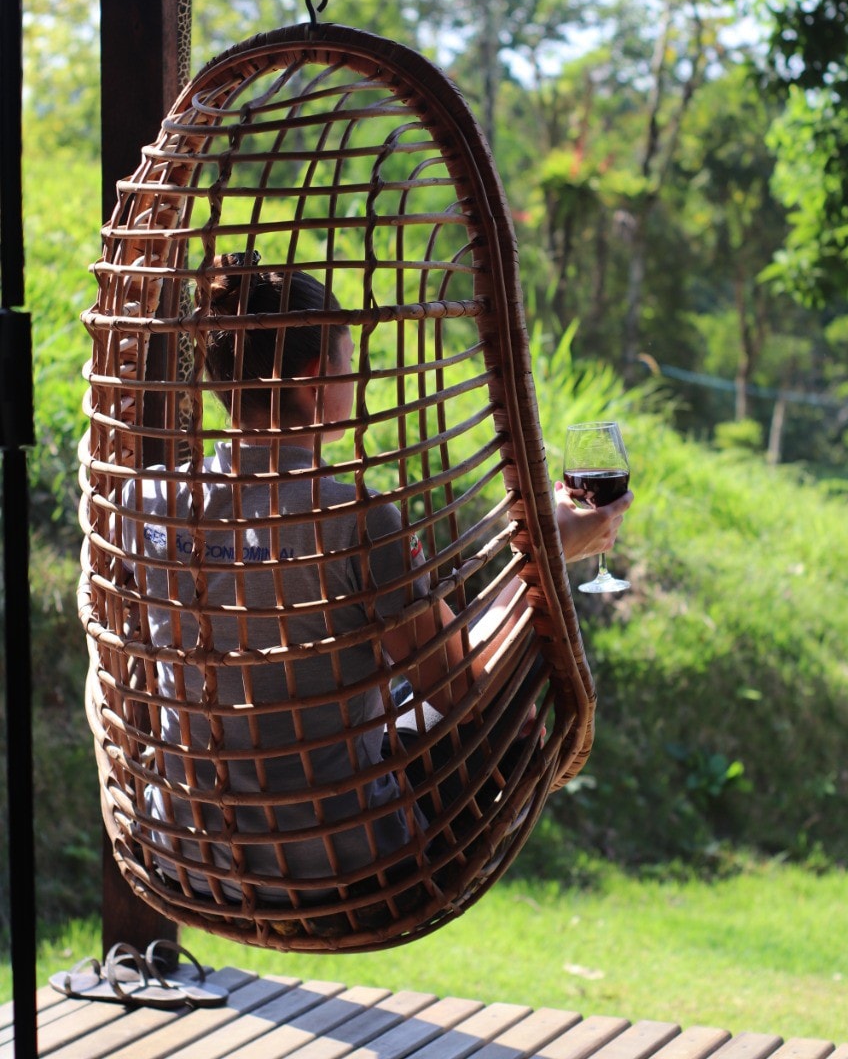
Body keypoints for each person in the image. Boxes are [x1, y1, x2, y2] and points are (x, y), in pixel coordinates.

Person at [121, 257, 632, 909]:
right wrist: (549, 553)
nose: (356, 383)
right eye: (347, 366)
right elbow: (463, 694)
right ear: (314, 381)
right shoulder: (352, 516)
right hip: (331, 863)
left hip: (185, 852)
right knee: (500, 718)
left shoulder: (145, 500)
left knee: (392, 682)